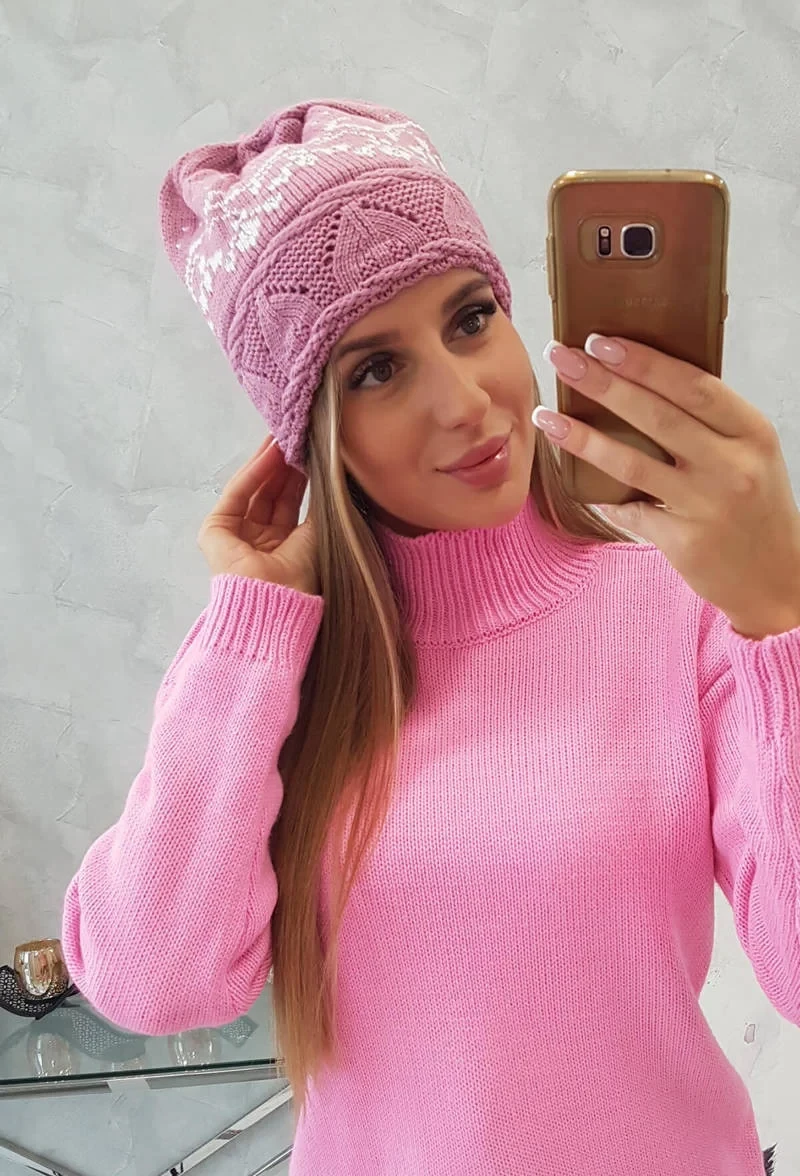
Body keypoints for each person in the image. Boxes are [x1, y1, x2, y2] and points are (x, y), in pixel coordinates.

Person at [60, 101, 785, 1176]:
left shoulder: (682, 608)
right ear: (307, 435)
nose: (465, 402)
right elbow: (153, 984)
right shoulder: (274, 666)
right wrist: (246, 632)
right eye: (375, 370)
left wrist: (780, 615)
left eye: (470, 318)